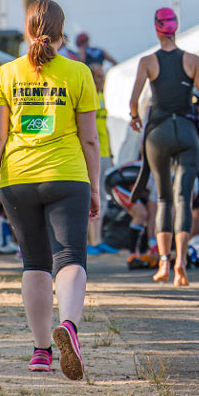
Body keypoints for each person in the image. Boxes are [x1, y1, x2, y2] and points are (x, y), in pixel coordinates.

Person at [0, 0, 100, 377]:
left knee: (35, 263)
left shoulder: (6, 74)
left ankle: (41, 351)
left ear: (28, 30)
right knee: (70, 258)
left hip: (18, 180)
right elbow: (90, 140)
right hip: (67, 175)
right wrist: (94, 188)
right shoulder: (79, 74)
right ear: (62, 33)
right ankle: (69, 326)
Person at [128, 7, 199, 286]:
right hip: (188, 133)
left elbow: (134, 100)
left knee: (164, 199)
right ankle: (181, 262)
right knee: (184, 199)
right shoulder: (192, 60)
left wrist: (134, 117)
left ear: (157, 29)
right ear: (175, 28)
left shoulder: (147, 62)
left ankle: (164, 262)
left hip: (159, 133)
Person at [87, 63, 118, 254]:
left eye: (103, 76)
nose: (102, 79)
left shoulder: (101, 97)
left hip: (105, 153)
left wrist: (112, 150)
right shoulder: (87, 96)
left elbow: (104, 128)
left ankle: (97, 240)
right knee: (93, 196)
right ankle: (90, 241)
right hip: (94, 153)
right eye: (98, 76)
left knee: (104, 198)